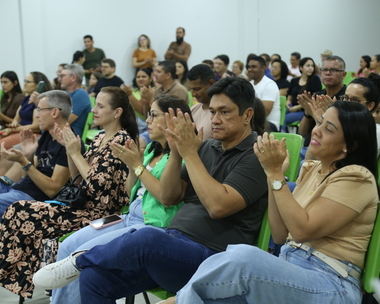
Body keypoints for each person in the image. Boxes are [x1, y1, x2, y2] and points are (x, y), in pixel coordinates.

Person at [32, 77, 269, 303]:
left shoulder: (258, 155)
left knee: (147, 236)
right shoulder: (208, 148)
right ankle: (83, 265)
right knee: (95, 279)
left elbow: (218, 207)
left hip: (211, 257)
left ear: (247, 115)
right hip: (173, 244)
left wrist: (189, 154)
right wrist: (177, 153)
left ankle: (79, 261)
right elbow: (169, 196)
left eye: (224, 112)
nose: (215, 119)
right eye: (213, 112)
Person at [162, 100, 379, 304]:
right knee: (221, 292)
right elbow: (280, 235)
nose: (317, 130)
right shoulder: (312, 169)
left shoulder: (357, 177)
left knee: (243, 256)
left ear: (350, 146)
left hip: (331, 283)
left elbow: (302, 230)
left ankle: (175, 301)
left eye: (329, 129)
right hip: (290, 267)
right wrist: (270, 176)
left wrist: (276, 174)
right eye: (320, 121)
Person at [38, 95, 191, 304]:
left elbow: (166, 198)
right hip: (126, 216)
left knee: (79, 258)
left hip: (150, 225)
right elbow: (130, 193)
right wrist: (132, 166)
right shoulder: (149, 149)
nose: (147, 120)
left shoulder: (177, 156)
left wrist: (137, 165)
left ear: (173, 119)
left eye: (153, 115)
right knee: (68, 246)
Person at [0, 87, 138, 298]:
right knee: (18, 209)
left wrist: (76, 153)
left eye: (100, 106)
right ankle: (23, 276)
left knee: (22, 211)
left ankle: (24, 276)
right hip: (81, 205)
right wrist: (69, 151)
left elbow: (98, 187)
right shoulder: (101, 137)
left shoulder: (121, 141)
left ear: (117, 112)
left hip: (102, 214)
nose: (93, 110)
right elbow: (79, 180)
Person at [299, 55, 346, 147]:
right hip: (310, 147)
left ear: (343, 74)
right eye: (324, 70)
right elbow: (302, 133)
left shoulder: (348, 97)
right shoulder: (317, 96)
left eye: (333, 70)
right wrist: (308, 112)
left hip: (332, 149)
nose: (328, 73)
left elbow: (344, 133)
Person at [0, 71, 52, 150]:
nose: (24, 84)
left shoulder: (39, 101)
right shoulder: (26, 99)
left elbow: (35, 127)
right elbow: (16, 119)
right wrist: (14, 124)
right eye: (25, 81)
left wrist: (11, 129)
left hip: (30, 134)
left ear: (38, 85)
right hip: (19, 130)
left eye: (28, 82)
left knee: (1, 145)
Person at [284, 57, 321, 131]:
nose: (311, 68)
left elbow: (313, 99)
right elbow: (290, 96)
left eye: (312, 66)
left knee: (284, 118)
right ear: (301, 68)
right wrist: (288, 102)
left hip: (305, 111)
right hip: (292, 108)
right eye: (308, 66)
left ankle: (282, 137)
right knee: (279, 114)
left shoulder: (315, 80)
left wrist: (298, 107)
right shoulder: (294, 81)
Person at [247, 56, 281, 131]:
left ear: (263, 67)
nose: (250, 69)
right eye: (249, 67)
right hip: (252, 121)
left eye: (253, 67)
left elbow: (264, 112)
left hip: (269, 124)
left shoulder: (269, 84)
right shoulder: (249, 84)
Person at [59, 64, 92, 136]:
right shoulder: (64, 94)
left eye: (62, 76)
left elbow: (64, 123)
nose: (59, 79)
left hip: (69, 138)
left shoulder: (81, 94)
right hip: (59, 135)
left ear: (73, 77)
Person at [121, 68, 155, 134]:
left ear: (150, 78)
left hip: (143, 123)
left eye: (144, 76)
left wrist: (129, 94)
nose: (140, 79)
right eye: (138, 77)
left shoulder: (153, 91)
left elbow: (142, 111)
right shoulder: (133, 91)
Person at [187, 64, 216, 140]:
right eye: (191, 89)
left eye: (197, 89)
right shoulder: (193, 110)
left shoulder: (222, 114)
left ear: (211, 84)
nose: (193, 94)